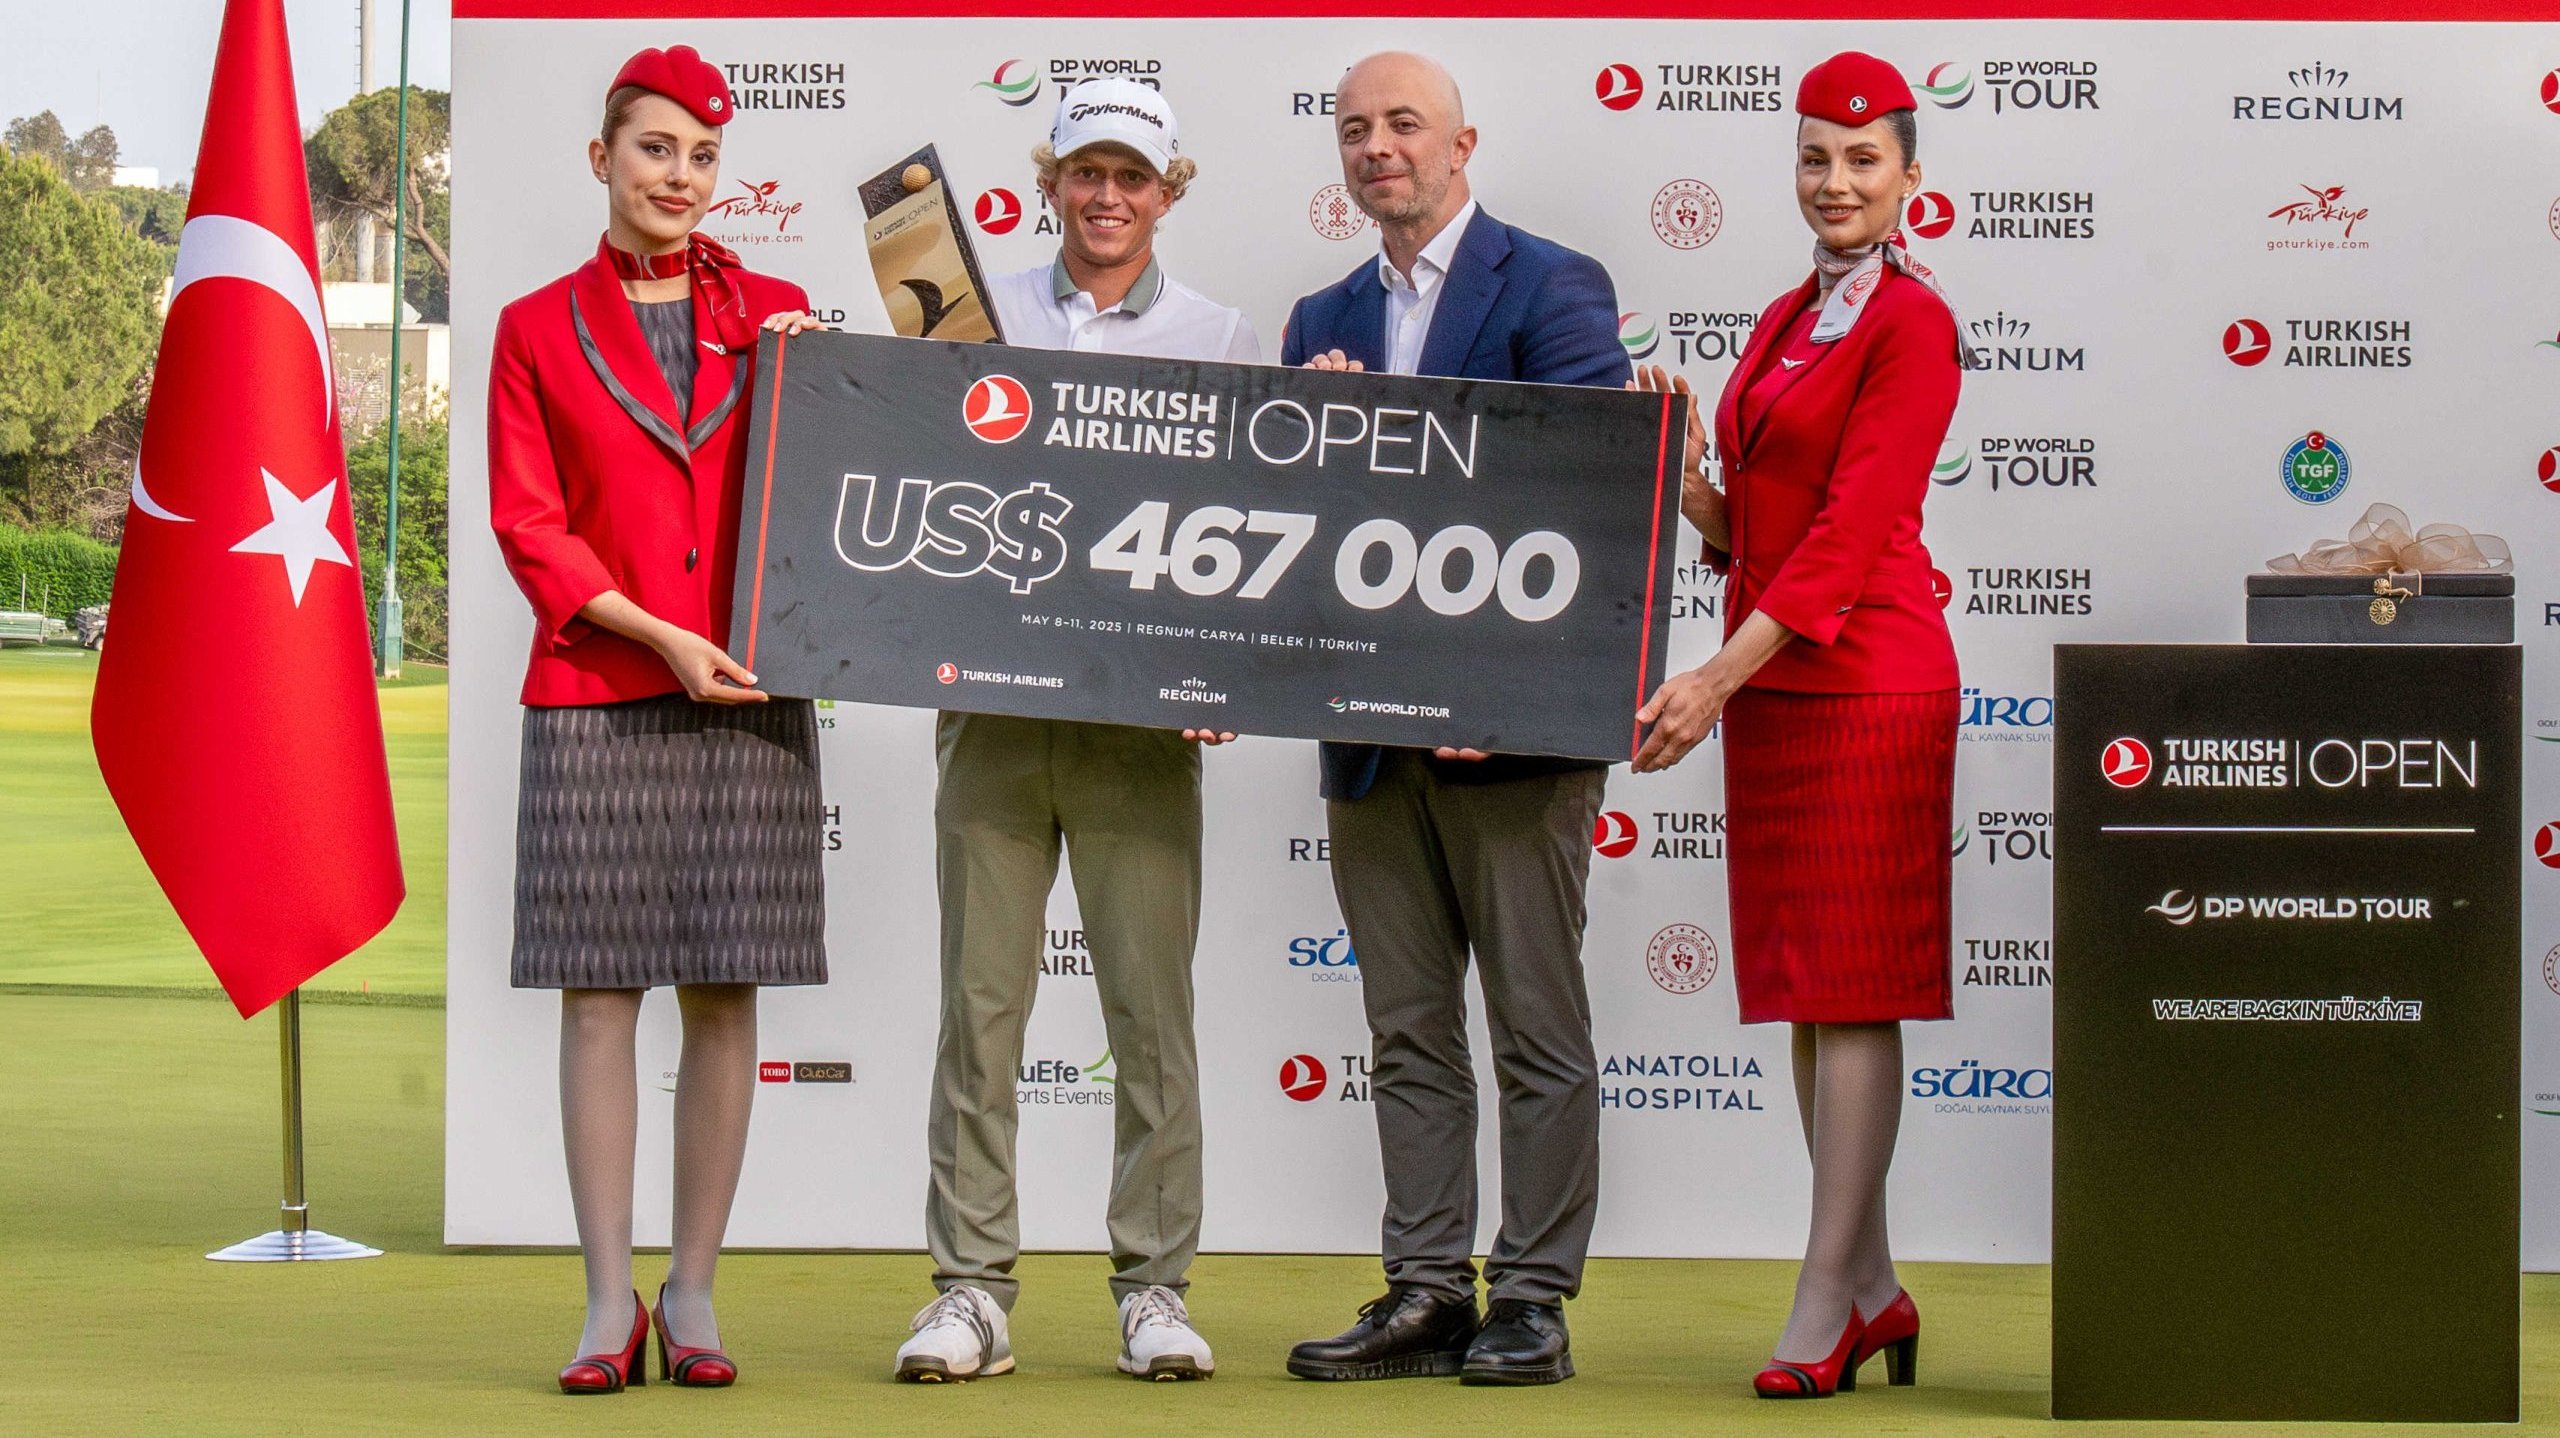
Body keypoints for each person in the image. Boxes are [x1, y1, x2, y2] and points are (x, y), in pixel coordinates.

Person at [892, 77, 1260, 1386]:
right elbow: (916, 471)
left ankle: (1154, 1288)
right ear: (1048, 182)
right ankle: (970, 1291)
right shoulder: (970, 316)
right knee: (979, 1010)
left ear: (1168, 193)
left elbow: (1234, 529)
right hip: (992, 710)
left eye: (1133, 176)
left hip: (1138, 727)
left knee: (1150, 1017)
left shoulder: (1220, 336)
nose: (1109, 196)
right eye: (1086, 172)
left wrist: (1221, 673)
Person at [1279, 51, 1628, 1389]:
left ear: (1461, 144)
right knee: (1409, 1029)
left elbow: (1589, 500)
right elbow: (1302, 535)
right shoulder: (1321, 315)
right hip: (1371, 736)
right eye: (1355, 128)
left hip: (1514, 738)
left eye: (1403, 124)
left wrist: (1504, 689)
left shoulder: (1552, 283)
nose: (1378, 147)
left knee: (1536, 1025)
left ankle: (1532, 1297)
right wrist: (1306, 434)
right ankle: (1428, 1287)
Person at [486, 45, 827, 1396]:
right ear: (603, 159)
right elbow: (530, 526)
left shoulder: (783, 314)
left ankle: (691, 1292)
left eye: (701, 155)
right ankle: (602, 1300)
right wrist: (659, 636)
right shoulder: (530, 327)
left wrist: (835, 386)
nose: (679, 175)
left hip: (746, 689)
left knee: (726, 991)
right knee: (599, 998)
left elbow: (840, 487)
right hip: (600, 692)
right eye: (654, 149)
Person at [1630, 50, 1966, 1400]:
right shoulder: (1784, 315)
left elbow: (1848, 536)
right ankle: (1873, 1287)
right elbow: (1758, 529)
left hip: (1870, 681)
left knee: (1856, 989)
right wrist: (1686, 476)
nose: (1836, 182)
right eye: (1816, 158)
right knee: (1806, 998)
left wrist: (1712, 679)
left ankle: (1824, 1297)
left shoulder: (1913, 325)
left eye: (1862, 160)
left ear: (1910, 178)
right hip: (1776, 684)